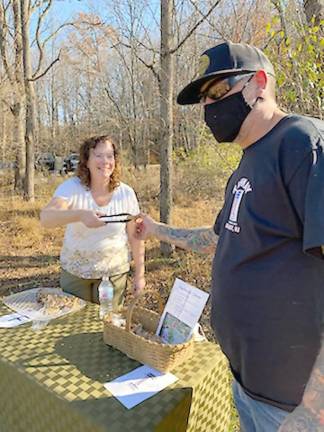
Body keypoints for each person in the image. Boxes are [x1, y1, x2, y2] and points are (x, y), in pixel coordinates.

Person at [135, 41, 324, 432]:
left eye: (219, 92)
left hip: (294, 405)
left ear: (259, 83)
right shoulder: (248, 161)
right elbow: (222, 239)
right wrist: (157, 230)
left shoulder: (303, 144)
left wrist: (312, 408)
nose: (209, 107)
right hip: (248, 385)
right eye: (204, 99)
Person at [40, 135, 145, 308]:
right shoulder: (72, 187)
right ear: (86, 161)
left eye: (110, 156)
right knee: (75, 325)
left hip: (114, 275)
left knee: (109, 324)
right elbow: (46, 218)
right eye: (98, 155)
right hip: (75, 273)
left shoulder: (126, 193)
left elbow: (136, 236)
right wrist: (80, 215)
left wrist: (140, 275)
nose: (105, 161)